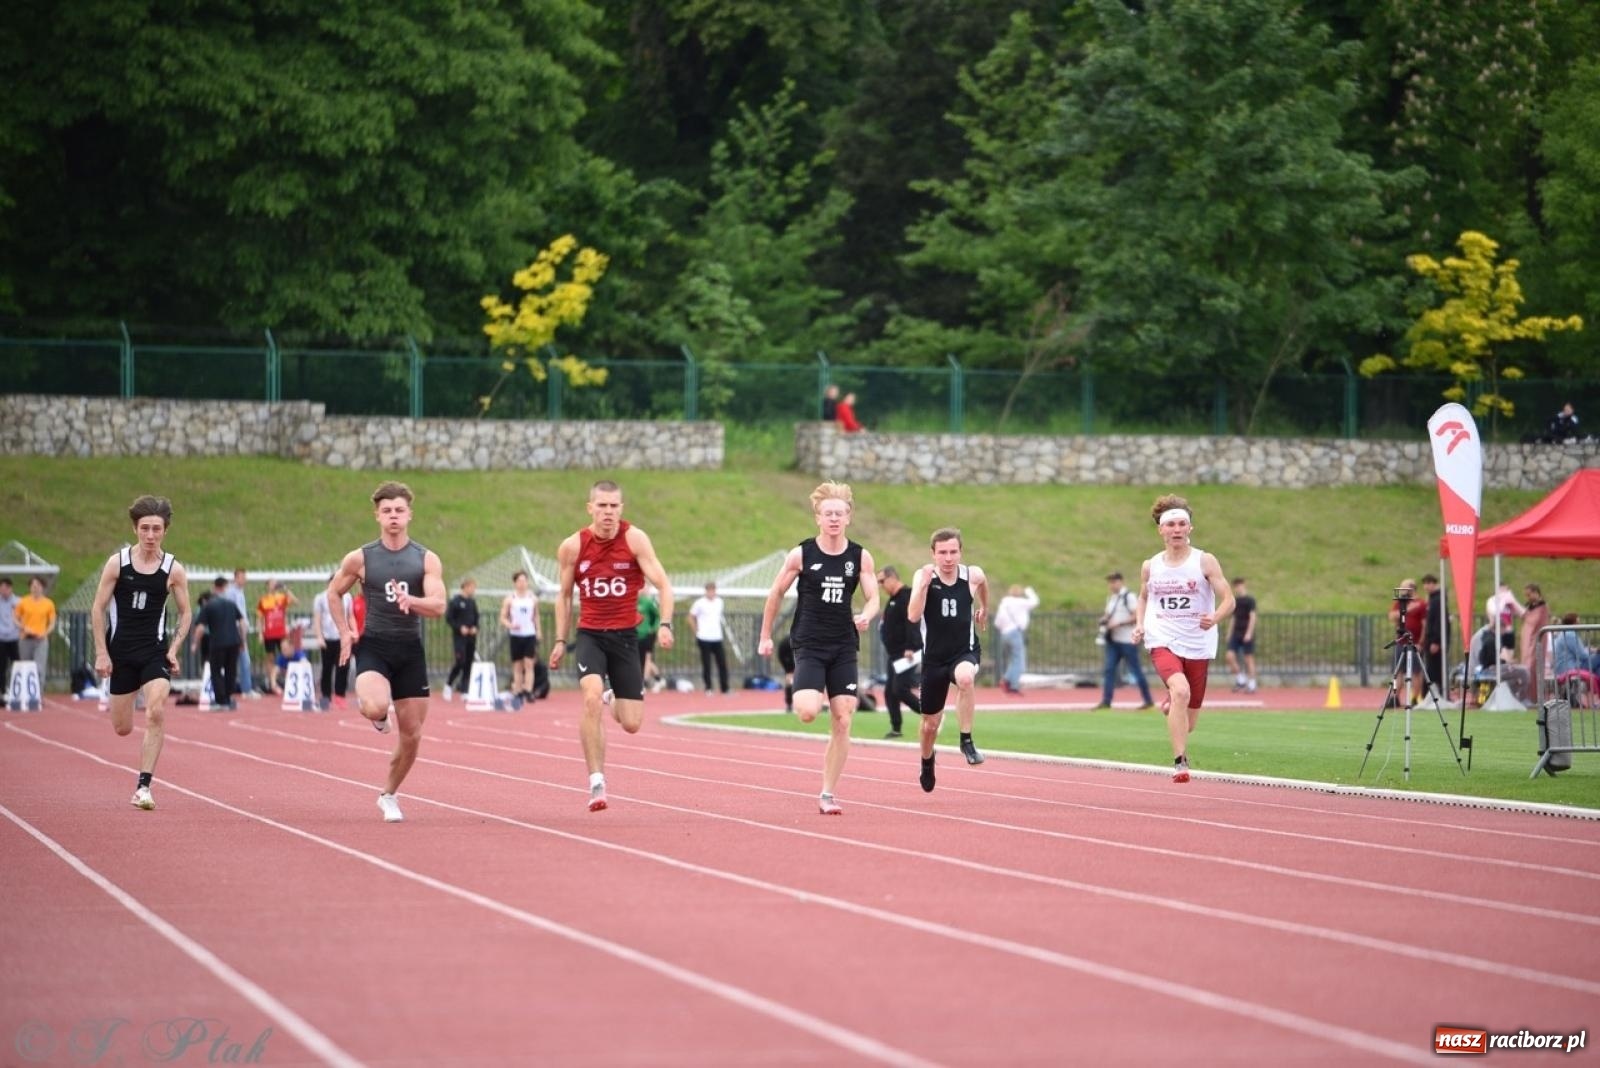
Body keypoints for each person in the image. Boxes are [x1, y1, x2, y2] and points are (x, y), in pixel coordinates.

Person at [549, 480, 675, 812]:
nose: (608, 512)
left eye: (614, 506)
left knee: (632, 723)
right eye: (602, 506)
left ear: (622, 508)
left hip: (625, 637)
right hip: (590, 634)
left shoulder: (635, 539)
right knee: (589, 698)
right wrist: (560, 640)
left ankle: (612, 695)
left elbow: (663, 583)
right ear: (590, 507)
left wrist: (665, 623)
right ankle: (596, 781)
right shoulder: (573, 547)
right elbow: (563, 596)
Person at [325, 481, 447, 823]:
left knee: (412, 735)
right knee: (375, 705)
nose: (393, 516)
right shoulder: (362, 558)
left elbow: (439, 605)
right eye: (387, 511)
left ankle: (389, 794)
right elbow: (333, 593)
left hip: (410, 650)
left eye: (399, 510)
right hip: (375, 647)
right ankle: (379, 717)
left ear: (409, 514)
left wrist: (414, 602)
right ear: (377, 516)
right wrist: (345, 631)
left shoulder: (425, 559)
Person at [757, 481, 880, 814]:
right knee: (809, 712)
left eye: (840, 513)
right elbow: (775, 594)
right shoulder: (802, 554)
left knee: (843, 718)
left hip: (843, 646)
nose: (834, 519)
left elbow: (873, 598)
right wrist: (765, 635)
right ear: (818, 518)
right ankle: (806, 697)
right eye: (828, 514)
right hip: (809, 645)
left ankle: (827, 793)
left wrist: (866, 615)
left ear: (849, 517)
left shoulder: (860, 556)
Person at [89, 496, 192, 810]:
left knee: (156, 710)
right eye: (145, 528)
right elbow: (98, 608)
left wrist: (173, 649)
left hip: (154, 652)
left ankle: (143, 787)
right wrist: (102, 653)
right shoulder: (116, 563)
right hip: (121, 654)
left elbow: (186, 613)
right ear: (135, 529)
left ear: (165, 531)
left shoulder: (173, 569)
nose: (150, 535)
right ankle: (124, 699)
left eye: (156, 529)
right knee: (122, 728)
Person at [1131, 495, 1234, 784]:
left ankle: (1173, 705)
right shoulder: (1150, 565)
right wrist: (1140, 624)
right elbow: (1143, 597)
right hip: (1162, 637)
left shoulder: (1205, 561)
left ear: (1190, 528)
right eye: (1171, 525)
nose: (1177, 529)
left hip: (1198, 643)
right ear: (1161, 530)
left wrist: (1214, 617)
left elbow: (1229, 600)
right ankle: (1180, 762)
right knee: (1180, 690)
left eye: (1182, 524)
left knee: (1188, 722)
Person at [906, 528, 988, 791]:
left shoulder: (972, 575)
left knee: (966, 677)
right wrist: (923, 586)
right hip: (934, 659)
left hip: (964, 651)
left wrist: (984, 608)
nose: (948, 558)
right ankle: (927, 761)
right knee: (930, 724)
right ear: (933, 554)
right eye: (942, 553)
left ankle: (966, 740)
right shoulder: (924, 575)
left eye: (953, 552)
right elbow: (913, 616)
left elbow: (984, 585)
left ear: (960, 552)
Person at [1096, 571, 1154, 710]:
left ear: (1120, 581)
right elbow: (1108, 614)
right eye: (1110, 582)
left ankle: (1148, 700)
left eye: (1114, 581)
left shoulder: (1129, 597)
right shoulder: (1112, 598)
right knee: (1109, 670)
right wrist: (1104, 620)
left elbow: (1137, 616)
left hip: (1128, 640)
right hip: (1114, 640)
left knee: (1135, 670)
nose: (1111, 585)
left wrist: (1119, 623)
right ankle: (1106, 701)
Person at [876, 566, 921, 738]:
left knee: (900, 688)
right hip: (894, 654)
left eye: (882, 581)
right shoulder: (893, 599)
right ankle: (896, 728)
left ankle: (931, 714)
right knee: (889, 692)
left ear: (892, 577)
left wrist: (910, 646)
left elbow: (912, 621)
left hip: (906, 654)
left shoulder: (906, 596)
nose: (881, 585)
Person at [192, 575, 244, 709]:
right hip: (234, 642)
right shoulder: (231, 604)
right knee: (230, 670)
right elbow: (242, 622)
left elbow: (201, 627)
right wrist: (242, 640)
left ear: (214, 588)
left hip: (218, 642)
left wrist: (195, 643)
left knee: (216, 671)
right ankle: (229, 698)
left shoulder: (209, 606)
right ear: (224, 588)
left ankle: (221, 701)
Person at [313, 574, 353, 709]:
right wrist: (319, 636)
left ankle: (340, 695)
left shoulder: (347, 597)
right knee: (327, 668)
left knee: (343, 667)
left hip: (342, 638)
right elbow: (317, 619)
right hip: (328, 637)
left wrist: (353, 631)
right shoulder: (320, 598)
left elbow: (350, 615)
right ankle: (325, 696)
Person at [500, 570, 540, 701]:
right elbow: (503, 617)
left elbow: (536, 616)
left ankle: (528, 690)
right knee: (517, 665)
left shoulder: (532, 598)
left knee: (529, 663)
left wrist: (538, 631)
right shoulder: (510, 599)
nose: (522, 583)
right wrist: (510, 625)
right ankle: (517, 690)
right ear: (515, 583)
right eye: (520, 581)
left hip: (529, 634)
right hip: (516, 635)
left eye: (525, 581)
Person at [993, 582, 1039, 695]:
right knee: (1018, 661)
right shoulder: (1020, 602)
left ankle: (1006, 680)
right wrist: (1029, 590)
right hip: (1015, 633)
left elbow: (997, 622)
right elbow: (1035, 601)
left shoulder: (1004, 604)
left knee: (1013, 660)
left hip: (1004, 634)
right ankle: (1013, 685)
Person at [1387, 578, 1428, 705]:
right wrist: (1406, 610)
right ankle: (1395, 698)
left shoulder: (1421, 603)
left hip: (1414, 642)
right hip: (1401, 641)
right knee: (1398, 671)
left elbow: (1425, 625)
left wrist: (1421, 642)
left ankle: (1415, 698)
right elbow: (1392, 616)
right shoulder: (1401, 603)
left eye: (1404, 588)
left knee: (1416, 671)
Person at [256, 578, 297, 695]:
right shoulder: (263, 600)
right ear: (267, 586)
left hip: (281, 633)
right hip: (269, 633)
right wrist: (260, 633)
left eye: (275, 583)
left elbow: (295, 601)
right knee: (270, 657)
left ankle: (288, 679)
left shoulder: (282, 597)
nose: (274, 585)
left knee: (286, 654)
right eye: (271, 584)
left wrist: (285, 589)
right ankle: (271, 681)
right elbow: (259, 618)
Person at [689, 581, 730, 695]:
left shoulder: (719, 602)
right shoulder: (700, 603)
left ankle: (725, 687)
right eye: (709, 590)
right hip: (704, 637)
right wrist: (696, 630)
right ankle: (708, 687)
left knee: (722, 663)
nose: (711, 592)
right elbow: (691, 616)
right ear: (706, 591)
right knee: (706, 663)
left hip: (717, 637)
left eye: (713, 590)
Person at [15, 575, 56, 686]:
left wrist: (45, 633)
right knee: (25, 666)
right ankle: (25, 693)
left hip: (41, 639)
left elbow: (52, 623)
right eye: (33, 585)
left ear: (42, 587)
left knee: (39, 668)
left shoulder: (48, 603)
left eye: (38, 585)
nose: (35, 588)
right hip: (26, 638)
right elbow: (15, 618)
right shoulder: (23, 602)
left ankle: (38, 695)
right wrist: (23, 627)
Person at [443, 576, 480, 701]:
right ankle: (449, 684)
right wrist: (460, 628)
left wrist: (475, 627)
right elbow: (449, 619)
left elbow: (476, 618)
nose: (473, 590)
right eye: (472, 587)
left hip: (471, 638)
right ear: (465, 586)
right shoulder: (455, 601)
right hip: (460, 638)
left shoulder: (472, 602)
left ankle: (465, 690)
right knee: (460, 661)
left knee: (469, 663)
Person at [225, 568, 256, 698]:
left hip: (240, 629)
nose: (244, 579)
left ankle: (243, 688)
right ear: (236, 578)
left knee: (241, 660)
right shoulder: (232, 593)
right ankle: (245, 689)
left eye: (245, 577)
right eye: (242, 577)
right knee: (243, 660)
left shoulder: (239, 592)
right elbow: (235, 613)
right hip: (237, 630)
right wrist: (240, 633)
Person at [1225, 577, 1257, 693]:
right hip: (1236, 633)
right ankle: (1240, 679)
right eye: (1236, 586)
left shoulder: (1250, 600)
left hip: (1246, 632)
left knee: (1248, 659)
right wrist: (1229, 632)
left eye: (1240, 585)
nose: (1238, 588)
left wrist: (1249, 632)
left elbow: (1253, 617)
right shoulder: (1236, 601)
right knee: (1229, 656)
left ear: (1244, 585)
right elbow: (1233, 617)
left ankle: (1252, 683)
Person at [636, 586, 666, 693]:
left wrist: (653, 629)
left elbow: (657, 616)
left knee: (647, 658)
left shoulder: (648, 602)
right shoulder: (630, 602)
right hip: (634, 635)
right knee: (638, 659)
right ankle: (658, 678)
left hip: (647, 635)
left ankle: (643, 683)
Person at [1422, 574, 1447, 697]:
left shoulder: (1438, 600)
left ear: (1434, 584)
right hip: (1430, 639)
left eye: (1428, 583)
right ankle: (1431, 694)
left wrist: (1436, 641)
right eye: (1425, 583)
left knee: (1435, 668)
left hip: (1435, 640)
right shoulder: (1432, 599)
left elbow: (1439, 621)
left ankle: (1437, 694)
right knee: (1431, 668)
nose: (1426, 586)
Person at [1485, 583, 1524, 660]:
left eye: (1506, 590)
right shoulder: (1492, 601)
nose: (1504, 592)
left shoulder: (1509, 602)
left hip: (1508, 632)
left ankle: (1508, 668)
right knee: (1502, 656)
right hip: (1497, 632)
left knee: (1509, 657)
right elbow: (1493, 612)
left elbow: (1521, 613)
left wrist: (1513, 601)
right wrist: (1503, 601)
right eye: (1502, 589)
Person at [1520, 583, 1550, 684]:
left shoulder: (1542, 607)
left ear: (1536, 593)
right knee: (1526, 665)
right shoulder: (1528, 606)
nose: (1528, 598)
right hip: (1527, 641)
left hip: (1538, 640)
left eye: (1529, 595)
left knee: (1533, 666)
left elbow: (1535, 620)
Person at [0, 577, 20, 698]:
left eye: (6, 588)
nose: (3, 590)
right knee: (1, 667)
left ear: (10, 588)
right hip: (1, 638)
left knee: (17, 664)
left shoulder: (18, 602)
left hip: (14, 638)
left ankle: (16, 689)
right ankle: (2, 691)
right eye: (1, 588)